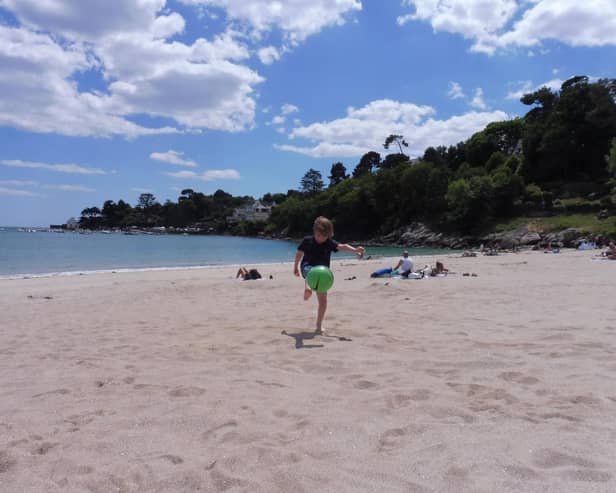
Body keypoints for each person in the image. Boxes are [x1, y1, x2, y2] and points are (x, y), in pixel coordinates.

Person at [294, 216, 364, 335]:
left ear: (328, 235)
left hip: (323, 275)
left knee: (323, 302)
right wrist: (295, 267)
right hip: (307, 268)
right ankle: (308, 288)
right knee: (311, 272)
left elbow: (343, 246)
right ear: (314, 231)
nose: (321, 238)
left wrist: (355, 250)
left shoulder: (329, 243)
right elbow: (299, 253)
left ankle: (319, 325)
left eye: (324, 236)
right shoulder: (307, 240)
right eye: (318, 235)